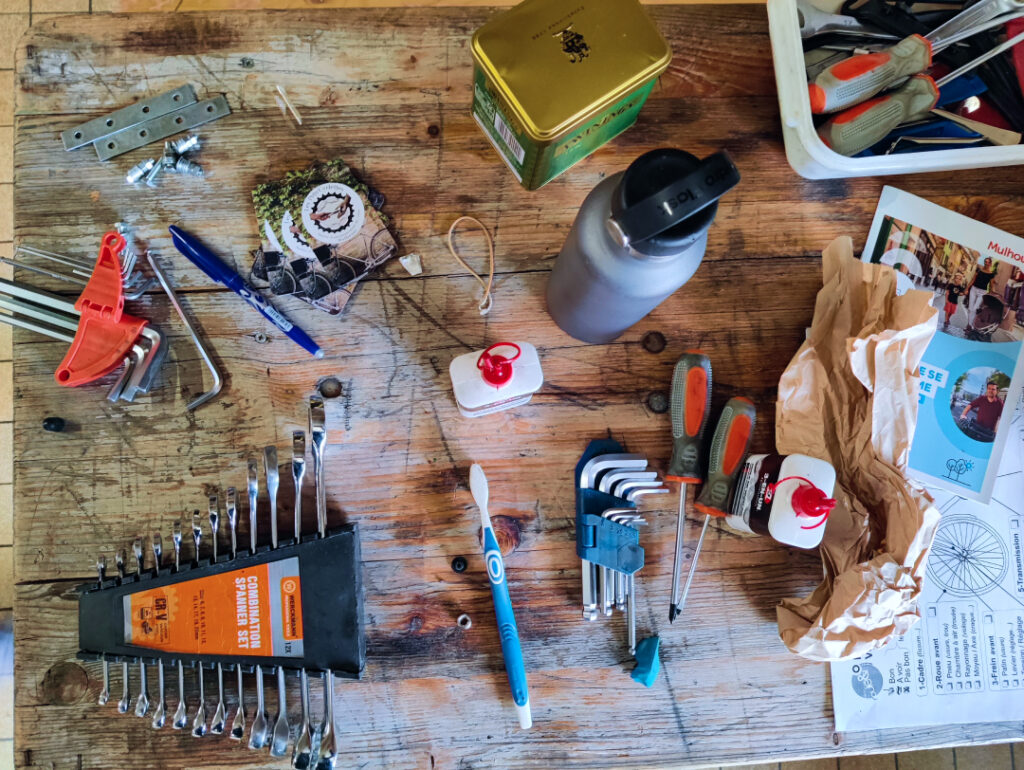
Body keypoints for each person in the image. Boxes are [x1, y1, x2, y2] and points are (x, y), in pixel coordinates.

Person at [967, 257, 997, 330]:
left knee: (975, 309)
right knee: (970, 308)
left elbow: (991, 286)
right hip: (974, 289)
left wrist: (992, 293)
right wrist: (967, 288)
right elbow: (973, 280)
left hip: (982, 292)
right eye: (985, 262)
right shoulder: (979, 270)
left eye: (988, 262)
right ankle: (969, 325)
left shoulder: (991, 274)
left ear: (990, 264)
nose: (986, 263)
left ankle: (970, 326)